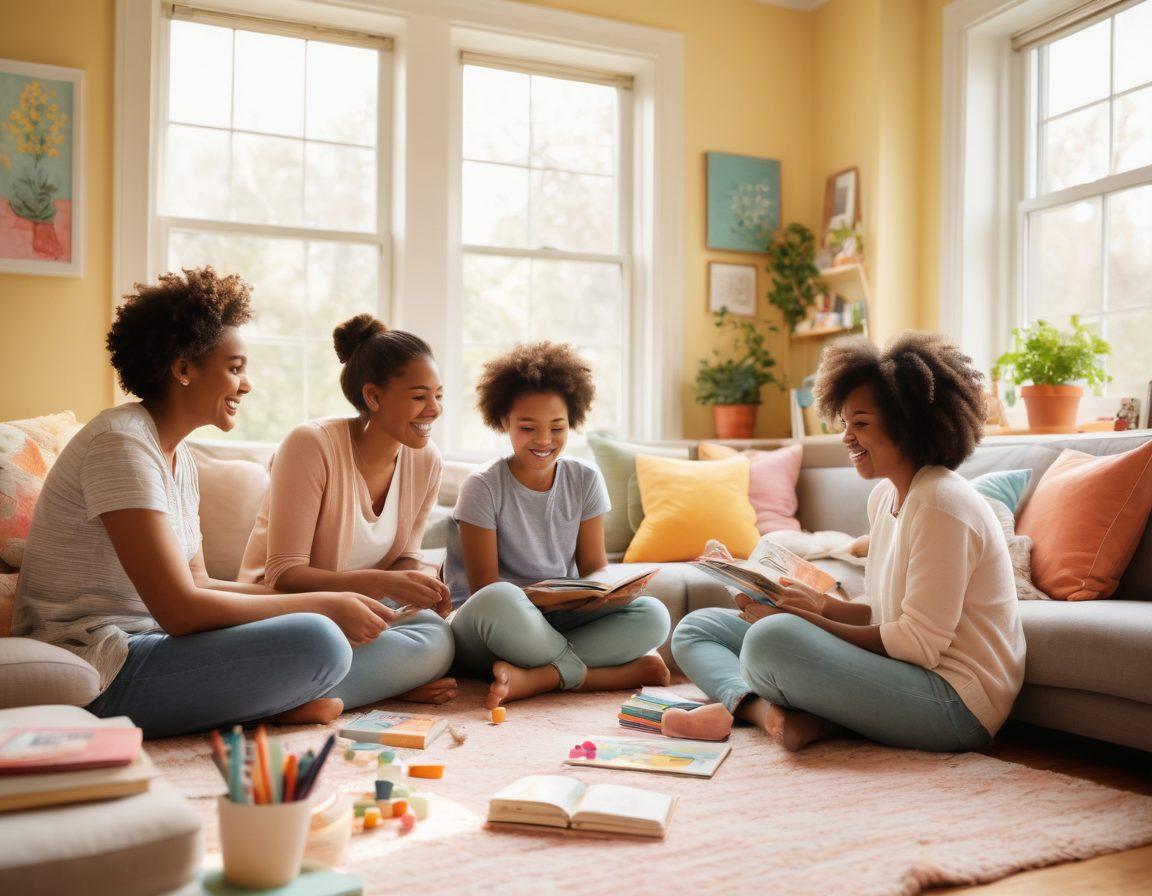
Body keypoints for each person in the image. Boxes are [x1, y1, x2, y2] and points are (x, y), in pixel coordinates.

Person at [12, 269, 394, 738]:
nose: (247, 384)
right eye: (235, 368)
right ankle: (280, 696)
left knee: (406, 637)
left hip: (158, 643)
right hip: (105, 662)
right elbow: (182, 611)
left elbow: (200, 583)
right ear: (184, 369)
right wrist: (321, 605)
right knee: (321, 641)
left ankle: (277, 696)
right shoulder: (119, 445)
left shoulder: (178, 455)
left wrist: (321, 600)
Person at [667, 333, 1026, 752]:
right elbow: (883, 611)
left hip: (955, 703)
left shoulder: (942, 503)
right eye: (845, 423)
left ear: (907, 426)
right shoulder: (886, 497)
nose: (846, 438)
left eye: (860, 424)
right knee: (697, 628)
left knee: (772, 640)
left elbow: (918, 645)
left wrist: (809, 623)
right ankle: (771, 716)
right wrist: (816, 604)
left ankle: (802, 714)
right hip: (903, 674)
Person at [239, 314, 456, 710]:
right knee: (321, 639)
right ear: (374, 397)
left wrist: (414, 585)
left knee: (437, 637)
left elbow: (405, 555)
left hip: (359, 614)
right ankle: (328, 691)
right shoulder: (311, 445)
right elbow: (284, 576)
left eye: (439, 395)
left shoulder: (426, 462)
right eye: (420, 396)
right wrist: (383, 584)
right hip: (288, 613)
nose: (434, 410)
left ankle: (316, 692)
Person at [447, 341, 671, 709]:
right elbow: (483, 589)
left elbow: (594, 568)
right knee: (502, 598)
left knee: (654, 614)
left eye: (557, 427)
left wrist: (600, 594)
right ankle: (595, 676)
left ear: (573, 422)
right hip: (489, 627)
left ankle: (538, 677)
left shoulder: (584, 479)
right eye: (527, 427)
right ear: (503, 421)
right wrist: (532, 600)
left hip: (553, 622)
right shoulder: (482, 486)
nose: (543, 440)